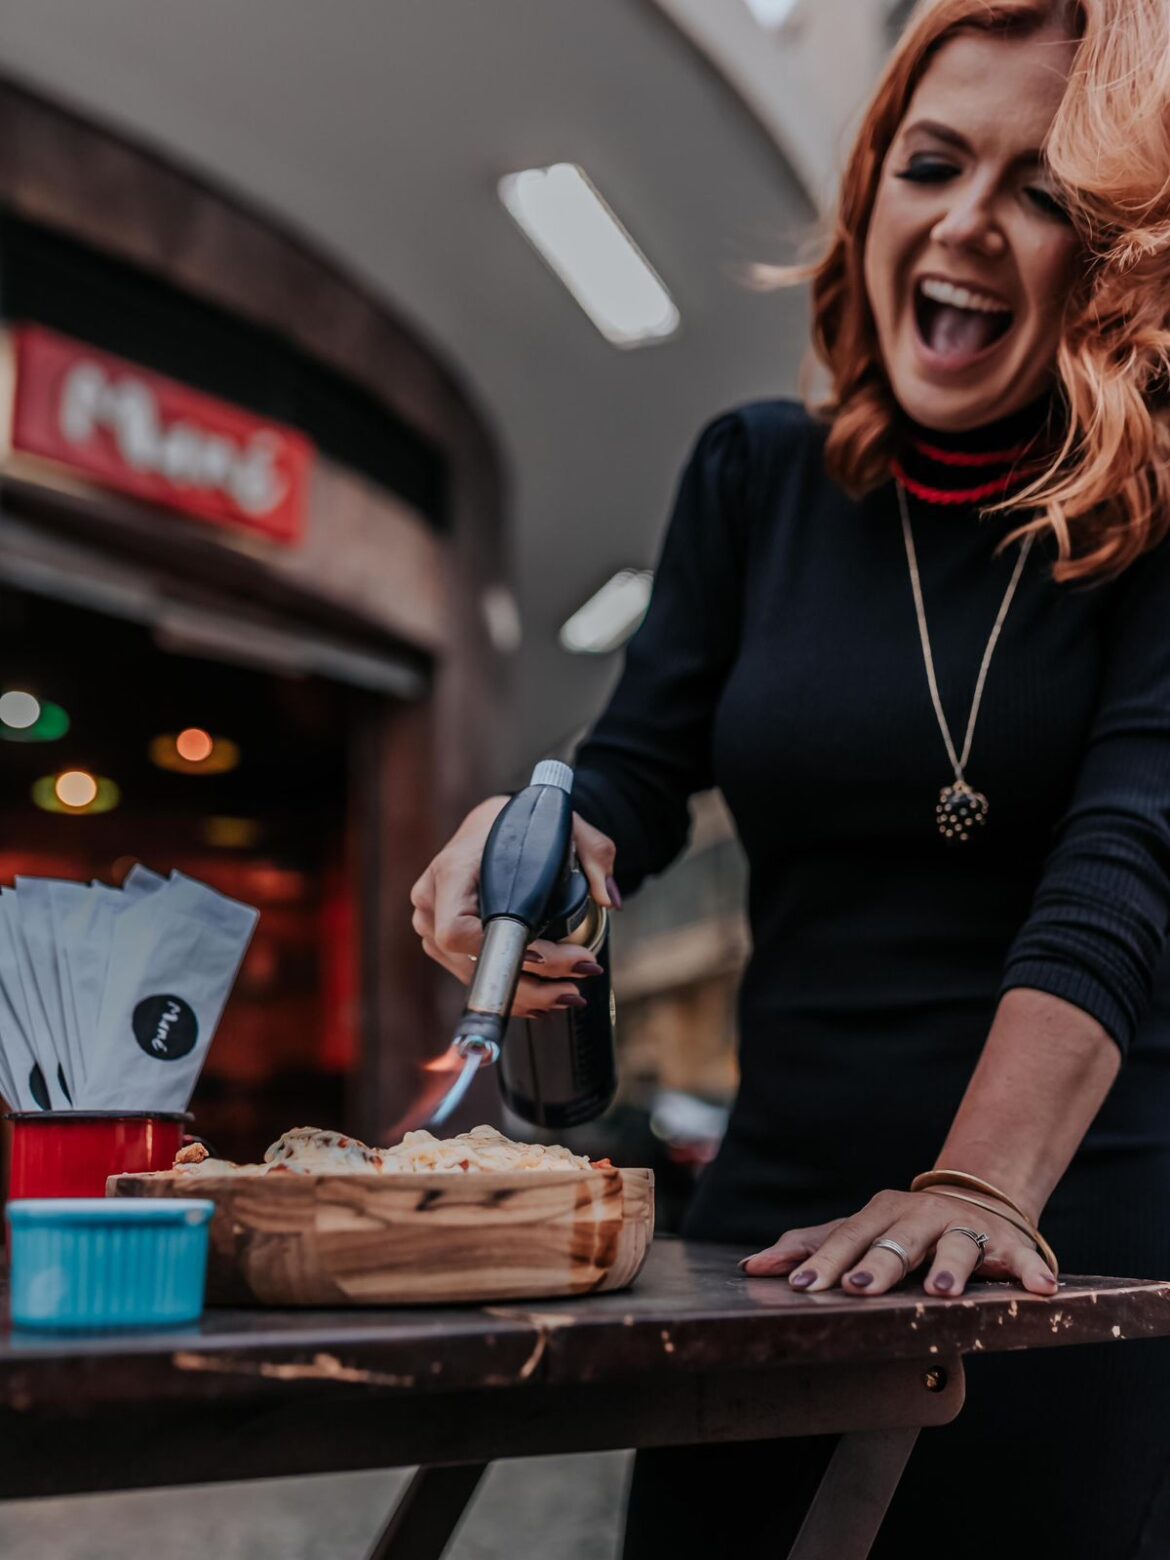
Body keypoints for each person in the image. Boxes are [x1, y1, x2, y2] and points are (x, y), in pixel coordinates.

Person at [410, 0, 1170, 1553]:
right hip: (773, 1220)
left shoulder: (1157, 510)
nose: (962, 222)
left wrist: (979, 1184)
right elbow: (633, 768)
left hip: (1058, 1231)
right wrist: (540, 841)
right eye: (929, 163)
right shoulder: (752, 478)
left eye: (1037, 194)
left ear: (1115, 256)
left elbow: (1127, 855)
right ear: (871, 186)